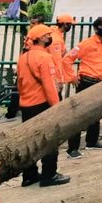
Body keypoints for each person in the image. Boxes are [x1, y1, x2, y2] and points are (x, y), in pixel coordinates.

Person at [17, 24, 70, 187]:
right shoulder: (45, 58)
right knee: (50, 140)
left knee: (29, 142)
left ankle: (29, 175)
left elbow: (19, 83)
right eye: (47, 35)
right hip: (42, 104)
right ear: (40, 38)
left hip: (26, 105)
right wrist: (57, 107)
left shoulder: (23, 57)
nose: (49, 37)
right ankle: (49, 174)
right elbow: (50, 86)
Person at [64, 17, 102, 158]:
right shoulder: (86, 43)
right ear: (96, 28)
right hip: (86, 82)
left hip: (100, 82)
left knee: (96, 113)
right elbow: (67, 59)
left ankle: (92, 142)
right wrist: (71, 77)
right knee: (79, 115)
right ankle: (72, 148)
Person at [50, 14, 78, 98]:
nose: (71, 26)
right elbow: (57, 60)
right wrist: (58, 80)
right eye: (70, 24)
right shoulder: (56, 39)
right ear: (65, 24)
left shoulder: (56, 34)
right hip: (53, 76)